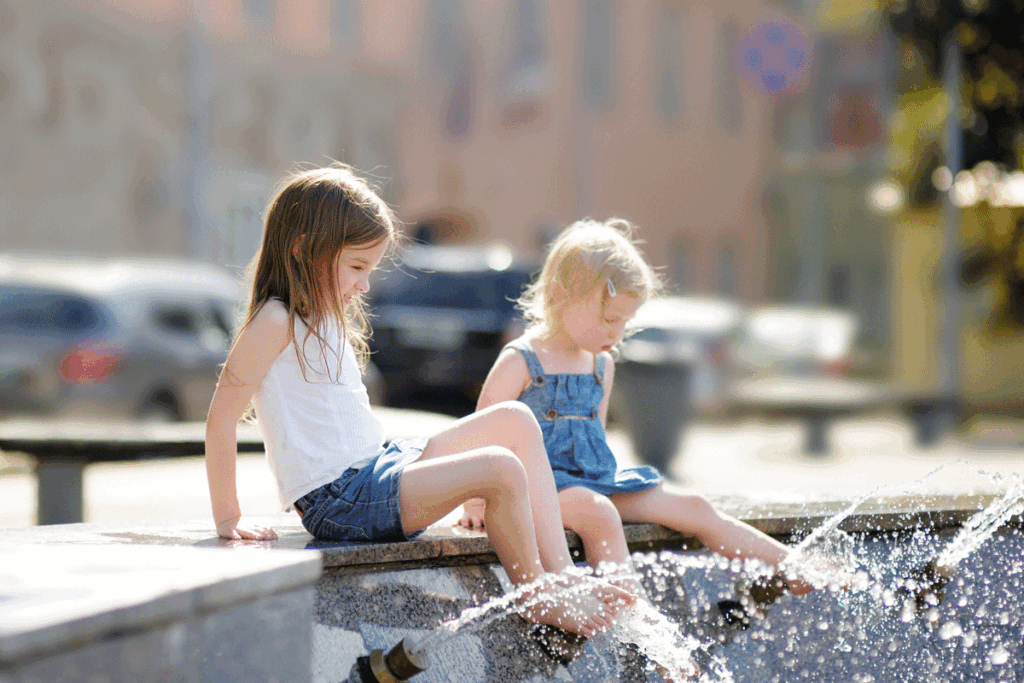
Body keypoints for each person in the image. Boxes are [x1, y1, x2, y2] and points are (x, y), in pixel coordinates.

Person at [204, 166, 635, 638]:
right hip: (341, 501)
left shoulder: (322, 316)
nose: (365, 285)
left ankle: (563, 580)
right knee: (499, 468)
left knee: (514, 419)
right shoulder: (275, 319)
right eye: (356, 267)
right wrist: (229, 517)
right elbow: (222, 417)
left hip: (375, 470)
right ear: (303, 249)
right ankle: (537, 597)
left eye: (369, 270)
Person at [458, 218, 815, 605]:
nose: (617, 333)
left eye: (625, 323)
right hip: (535, 493)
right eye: (610, 319)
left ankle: (794, 565)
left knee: (693, 506)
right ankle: (640, 631)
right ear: (563, 296)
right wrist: (475, 503)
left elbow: (596, 439)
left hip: (593, 481)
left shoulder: (600, 365)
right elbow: (481, 435)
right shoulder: (521, 361)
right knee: (598, 513)